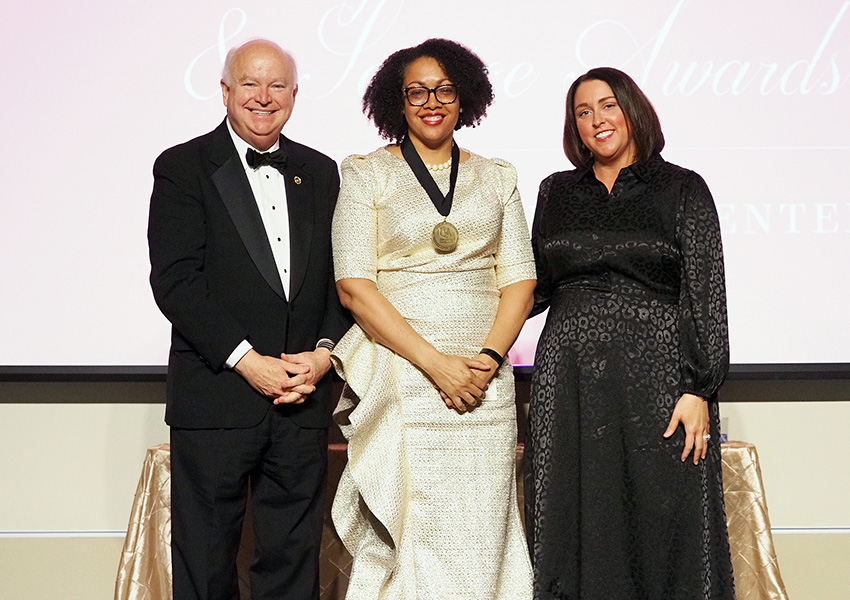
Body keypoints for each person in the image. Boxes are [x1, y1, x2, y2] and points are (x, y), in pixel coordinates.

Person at [329, 38, 536, 599]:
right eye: (416, 91)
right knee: (415, 524)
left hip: (483, 381)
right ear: (396, 102)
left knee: (486, 520)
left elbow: (519, 280)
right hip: (403, 373)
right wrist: (436, 365)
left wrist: (489, 361)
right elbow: (354, 287)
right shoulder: (366, 174)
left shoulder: (496, 177)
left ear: (465, 96)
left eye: (444, 89)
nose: (431, 101)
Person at [148, 39, 350, 600]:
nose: (264, 98)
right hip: (217, 398)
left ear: (293, 94)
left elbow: (341, 279)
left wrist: (322, 355)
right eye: (250, 84)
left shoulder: (320, 170)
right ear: (226, 91)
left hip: (300, 401)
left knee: (293, 558)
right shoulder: (183, 167)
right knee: (207, 560)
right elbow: (177, 282)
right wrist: (247, 361)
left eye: (277, 85)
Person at [525, 67, 736, 600]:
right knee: (573, 508)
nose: (596, 120)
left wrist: (699, 388)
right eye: (582, 111)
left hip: (658, 377)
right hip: (567, 376)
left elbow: (705, 290)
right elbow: (534, 286)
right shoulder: (556, 191)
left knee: (665, 514)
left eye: (607, 105)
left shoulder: (682, 188)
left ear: (633, 110)